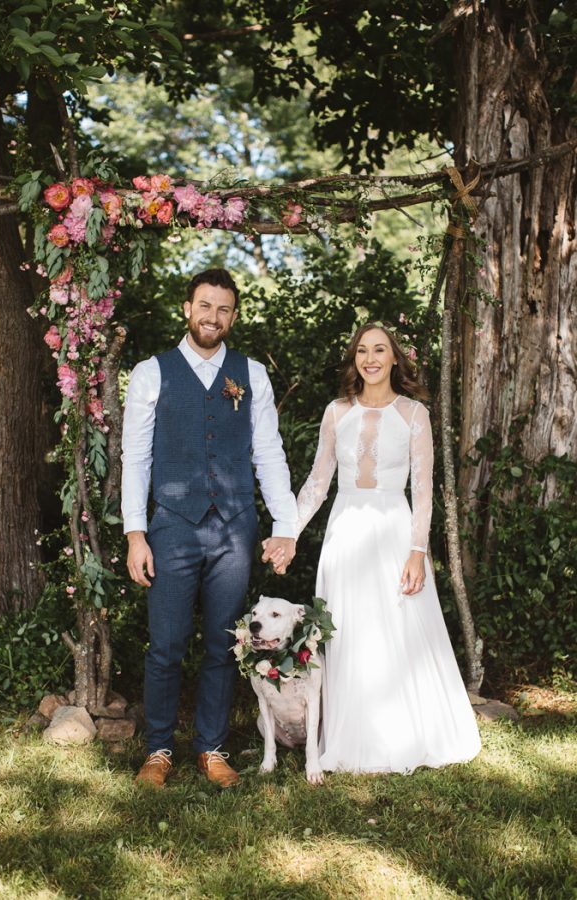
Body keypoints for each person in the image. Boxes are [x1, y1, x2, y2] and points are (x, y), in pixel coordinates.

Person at [267, 321, 481, 773]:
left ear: (394, 358)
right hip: (345, 530)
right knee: (345, 631)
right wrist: (288, 532)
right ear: (355, 359)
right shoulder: (336, 411)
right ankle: (345, 735)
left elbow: (422, 491)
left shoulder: (413, 414)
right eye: (362, 350)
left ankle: (400, 734)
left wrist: (418, 552)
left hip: (393, 530)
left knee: (396, 631)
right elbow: (318, 482)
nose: (370, 358)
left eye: (380, 349)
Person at [122, 268, 296, 788]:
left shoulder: (253, 374)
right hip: (172, 527)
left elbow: (268, 452)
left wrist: (284, 524)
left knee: (226, 643)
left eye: (223, 309)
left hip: (235, 528)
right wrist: (136, 532)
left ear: (233, 316)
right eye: (204, 306)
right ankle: (157, 750)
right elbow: (136, 456)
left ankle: (211, 748)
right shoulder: (152, 372)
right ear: (187, 308)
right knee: (166, 644)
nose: (212, 317)